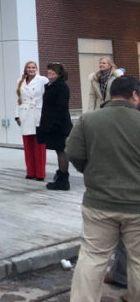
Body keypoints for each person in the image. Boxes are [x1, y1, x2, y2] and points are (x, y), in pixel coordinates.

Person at [67, 75, 140, 302]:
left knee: (92, 257)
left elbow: (74, 153)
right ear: (135, 95)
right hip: (137, 206)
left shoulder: (88, 121)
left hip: (98, 203)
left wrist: (93, 171)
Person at [37, 62, 72, 191]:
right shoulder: (51, 86)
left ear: (59, 73)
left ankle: (63, 180)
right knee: (59, 151)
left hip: (59, 125)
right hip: (53, 123)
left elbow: (61, 108)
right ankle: (61, 177)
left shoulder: (61, 87)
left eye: (53, 71)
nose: (50, 72)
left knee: (61, 150)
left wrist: (54, 124)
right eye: (49, 70)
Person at [15, 61, 48, 181]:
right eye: (29, 68)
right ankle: (30, 172)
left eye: (33, 67)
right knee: (28, 146)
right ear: (25, 69)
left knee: (39, 146)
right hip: (25, 114)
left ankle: (40, 174)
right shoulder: (20, 80)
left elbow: (47, 96)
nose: (31, 69)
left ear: (37, 69)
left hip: (38, 114)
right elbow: (19, 99)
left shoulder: (43, 80)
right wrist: (17, 115)